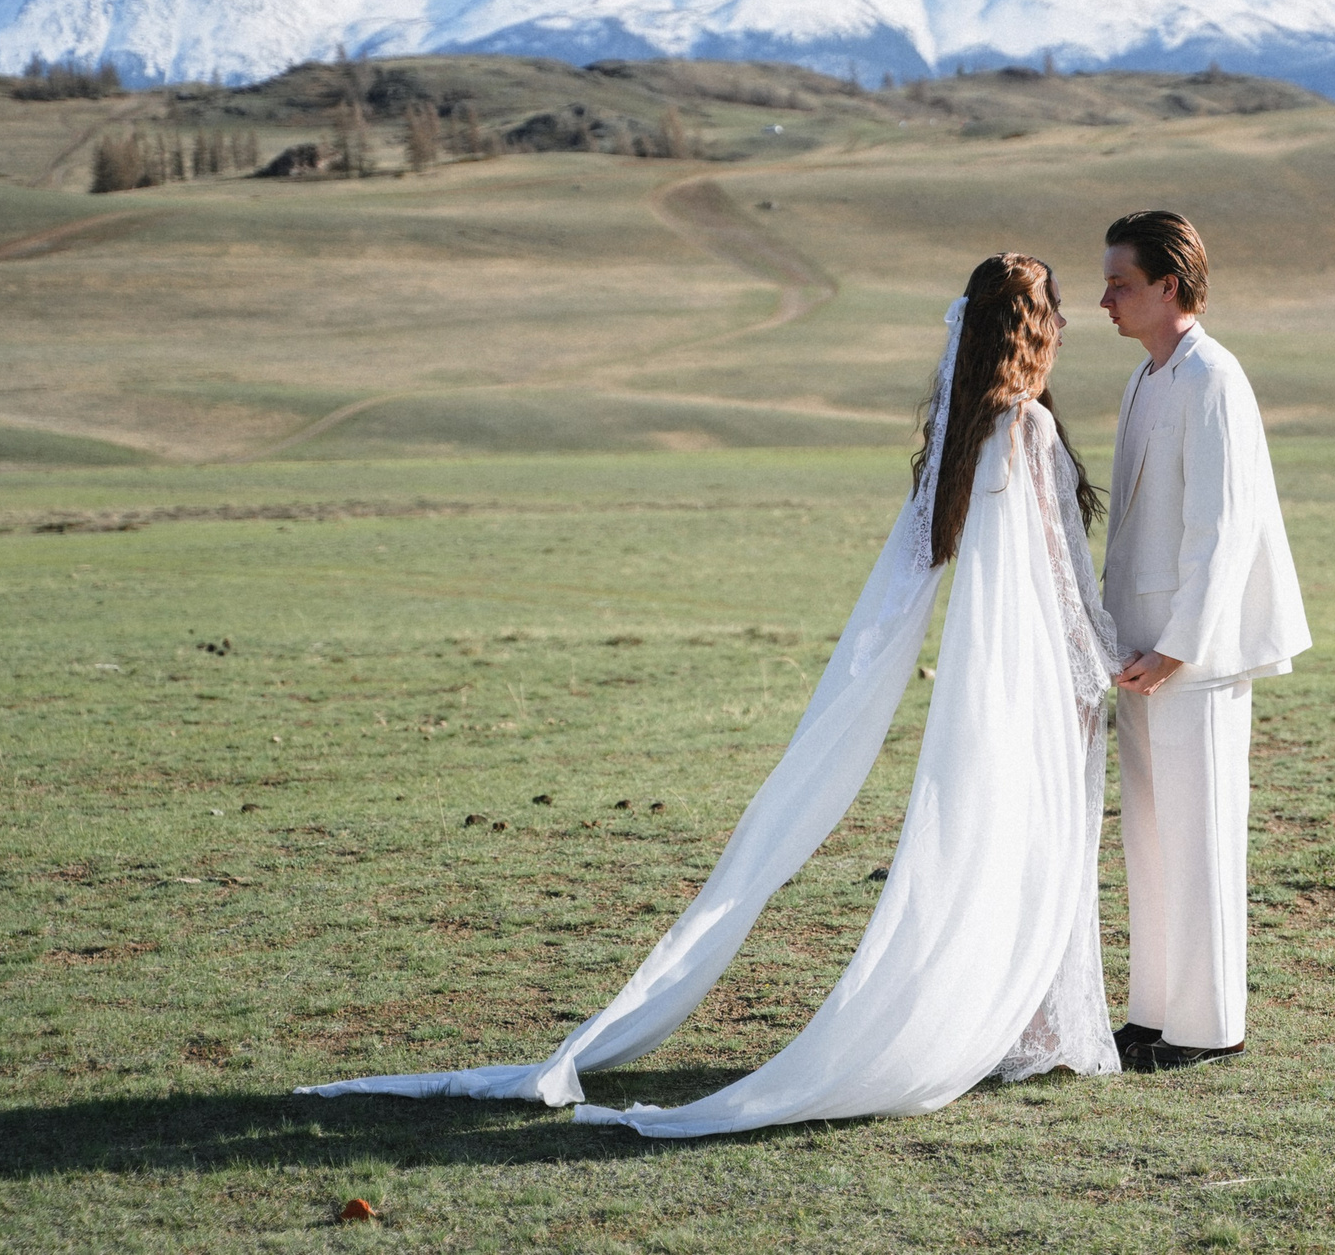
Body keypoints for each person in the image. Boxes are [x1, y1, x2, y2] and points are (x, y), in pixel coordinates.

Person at [299, 255, 1121, 1135]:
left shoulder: (968, 432)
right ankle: (1026, 1023)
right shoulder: (1026, 427)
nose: (1069, 324)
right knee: (1033, 840)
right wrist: (1101, 666)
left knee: (1006, 842)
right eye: (1057, 311)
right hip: (1033, 685)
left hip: (1001, 684)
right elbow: (1060, 572)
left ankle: (1019, 1017)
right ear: (1027, 327)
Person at [1098, 211, 1312, 1072]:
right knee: (1150, 836)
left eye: (1120, 282)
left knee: (1204, 832)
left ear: (1168, 288)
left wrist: (1181, 645)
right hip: (1141, 644)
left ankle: (1213, 1025)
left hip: (1197, 651)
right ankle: (1154, 1012)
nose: (1104, 297)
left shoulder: (1215, 377)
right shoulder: (1147, 379)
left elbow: (1222, 529)